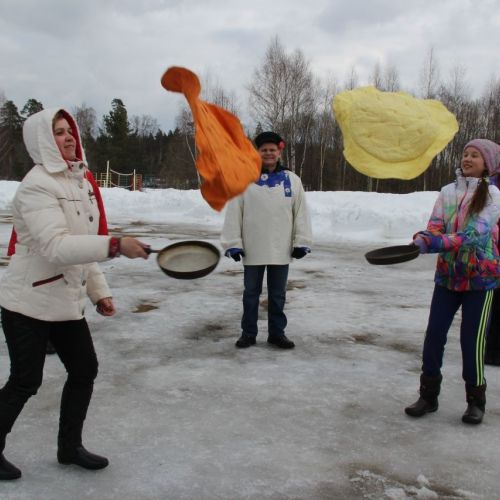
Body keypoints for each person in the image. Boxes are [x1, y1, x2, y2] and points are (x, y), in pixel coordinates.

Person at [0, 108, 150, 480]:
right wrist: (115, 245)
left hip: (65, 301)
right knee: (25, 381)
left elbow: (81, 246)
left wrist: (99, 292)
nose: (69, 138)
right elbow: (56, 247)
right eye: (58, 133)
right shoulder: (36, 186)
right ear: (42, 142)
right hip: (27, 303)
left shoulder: (79, 182)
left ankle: (69, 447)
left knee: (84, 370)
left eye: (70, 131)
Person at [405, 138, 500, 425]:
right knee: (433, 336)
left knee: (472, 342)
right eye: (465, 154)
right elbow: (435, 224)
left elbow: (476, 234)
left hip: (481, 280)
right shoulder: (447, 192)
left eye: (475, 156)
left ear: (488, 164)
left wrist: (437, 243)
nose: (467, 159)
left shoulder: (493, 194)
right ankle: (428, 395)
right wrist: (424, 237)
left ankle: (476, 401)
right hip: (447, 276)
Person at [221, 131, 312, 349]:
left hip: (281, 248)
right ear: (257, 153)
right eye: (264, 150)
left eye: (272, 150)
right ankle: (248, 333)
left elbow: (301, 212)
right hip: (253, 248)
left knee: (278, 295)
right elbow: (234, 211)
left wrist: (301, 241)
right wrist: (233, 244)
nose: (268, 154)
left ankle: (277, 333)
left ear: (279, 152)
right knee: (251, 294)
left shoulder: (292, 180)